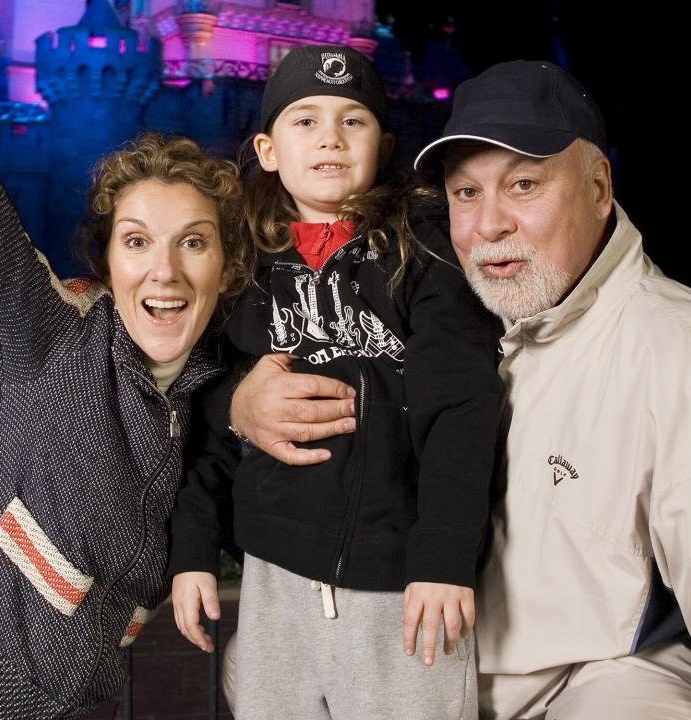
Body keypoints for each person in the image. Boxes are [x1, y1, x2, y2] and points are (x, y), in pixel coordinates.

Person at [229, 60, 691, 719]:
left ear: (598, 187)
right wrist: (241, 408)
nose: (490, 224)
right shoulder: (443, 306)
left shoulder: (685, 357)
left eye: (525, 185)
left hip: (601, 682)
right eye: (466, 194)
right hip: (424, 681)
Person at [0, 0, 251, 718]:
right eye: (136, 241)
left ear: (227, 268)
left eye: (192, 241)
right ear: (105, 259)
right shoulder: (48, 338)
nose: (163, 271)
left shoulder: (210, 399)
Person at [169, 44, 504, 719]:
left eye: (354, 121)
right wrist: (192, 553)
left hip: (400, 586)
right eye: (305, 121)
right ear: (267, 150)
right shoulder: (242, 269)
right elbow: (207, 415)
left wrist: (441, 557)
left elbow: (461, 409)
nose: (330, 136)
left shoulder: (426, 252)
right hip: (274, 579)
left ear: (382, 146)